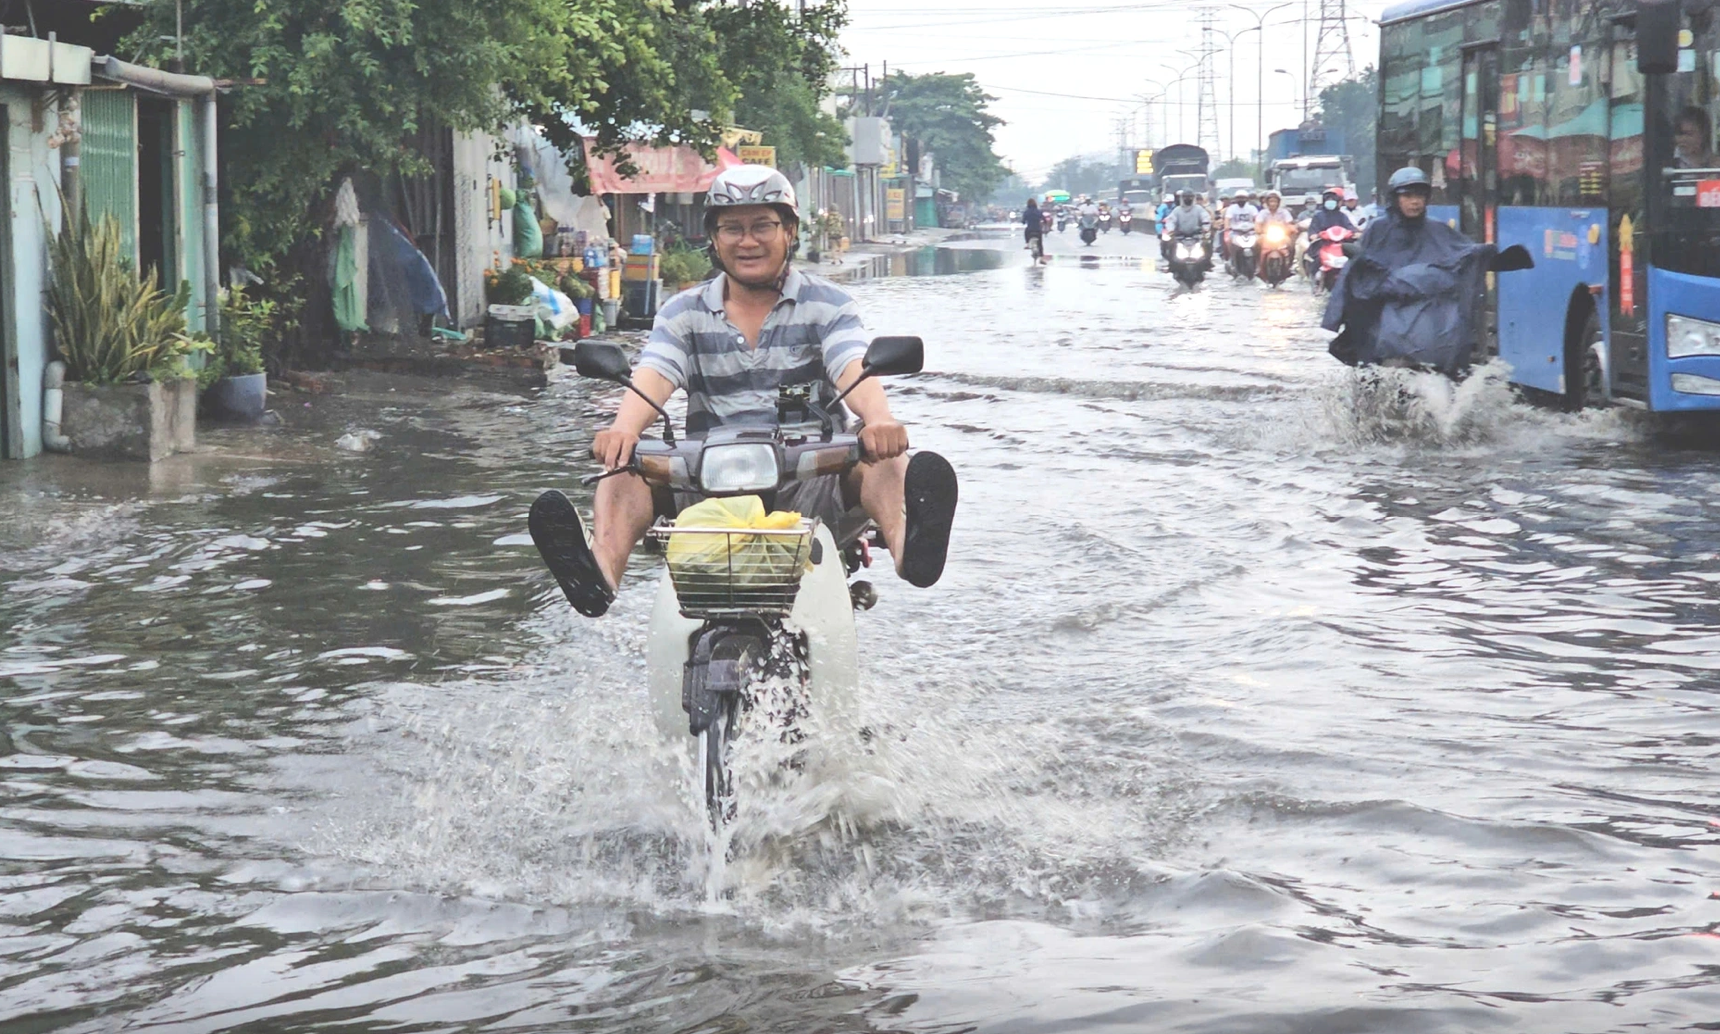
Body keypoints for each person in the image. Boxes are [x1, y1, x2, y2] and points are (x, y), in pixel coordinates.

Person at [528, 164, 960, 617]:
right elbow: (655, 371)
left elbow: (852, 362)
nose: (747, 241)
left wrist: (879, 419)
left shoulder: (829, 304)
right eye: (732, 228)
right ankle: (598, 573)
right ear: (713, 238)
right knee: (623, 466)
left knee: (886, 458)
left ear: (789, 231)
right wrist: (623, 429)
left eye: (762, 226)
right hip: (706, 482)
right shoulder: (682, 311)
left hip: (814, 480)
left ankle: (909, 550)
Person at [1323, 165, 1516, 376]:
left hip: (1431, 314)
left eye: (1420, 195)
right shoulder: (1378, 229)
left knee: (1456, 356)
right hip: (1388, 313)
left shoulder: (1439, 230)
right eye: (1408, 195)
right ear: (1395, 198)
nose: (1415, 201)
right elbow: (1356, 275)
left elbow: (1464, 255)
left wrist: (1492, 257)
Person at [1162, 189, 1213, 269]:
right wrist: (1171, 230)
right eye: (1185, 197)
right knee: (1171, 245)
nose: (1188, 199)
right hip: (1180, 236)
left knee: (1207, 244)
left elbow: (1205, 218)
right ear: (1182, 198)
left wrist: (1205, 228)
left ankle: (1207, 263)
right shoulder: (1177, 210)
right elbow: (1171, 221)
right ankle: (1171, 265)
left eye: (1190, 197)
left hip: (1196, 235)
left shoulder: (1199, 209)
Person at [1224, 190, 1262, 267]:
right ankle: (1231, 259)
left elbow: (1257, 219)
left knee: (1260, 242)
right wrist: (1227, 227)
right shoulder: (1231, 208)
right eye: (1238, 198)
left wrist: (1259, 227)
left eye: (1243, 198)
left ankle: (1258, 262)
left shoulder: (1252, 208)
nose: (1241, 200)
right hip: (1236, 232)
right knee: (1228, 241)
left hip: (1250, 232)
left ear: (1247, 199)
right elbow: (1227, 219)